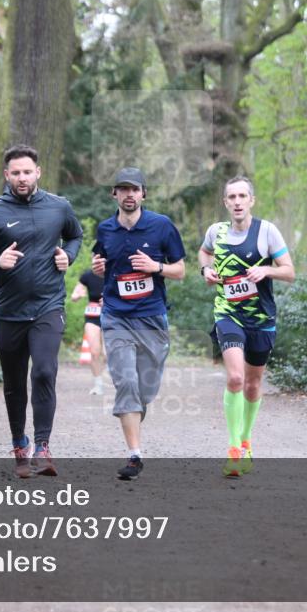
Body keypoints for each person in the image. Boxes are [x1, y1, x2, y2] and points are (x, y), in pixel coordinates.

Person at [0, 144, 83, 478]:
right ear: (6, 175)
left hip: (48, 306)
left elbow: (75, 236)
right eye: (15, 173)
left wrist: (68, 256)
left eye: (27, 172)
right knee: (14, 383)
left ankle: (43, 447)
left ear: (38, 173)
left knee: (44, 371)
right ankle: (20, 445)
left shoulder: (60, 207)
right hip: (9, 311)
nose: (21, 178)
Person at [92, 167, 185, 480]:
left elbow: (181, 270)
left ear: (143, 193)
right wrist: (98, 267)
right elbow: (103, 266)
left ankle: (133, 414)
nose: (129, 195)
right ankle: (135, 455)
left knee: (145, 389)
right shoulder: (105, 229)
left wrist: (155, 266)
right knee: (126, 381)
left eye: (134, 189)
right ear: (114, 194)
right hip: (116, 316)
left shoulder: (161, 226)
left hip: (152, 318)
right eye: (122, 189)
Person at [198, 175, 295, 477]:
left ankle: (246, 438)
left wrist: (266, 270)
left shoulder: (267, 232)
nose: (237, 202)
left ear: (251, 200)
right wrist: (206, 269)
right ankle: (233, 449)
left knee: (253, 385)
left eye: (242, 196)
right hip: (228, 314)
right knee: (236, 378)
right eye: (232, 197)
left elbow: (290, 272)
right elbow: (204, 252)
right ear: (225, 202)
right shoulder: (217, 232)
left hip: (261, 319)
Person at [70, 267, 106, 395]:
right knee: (94, 352)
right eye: (95, 256)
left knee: (107, 354)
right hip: (93, 317)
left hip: (113, 316)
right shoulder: (87, 276)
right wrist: (77, 295)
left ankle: (121, 382)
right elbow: (73, 296)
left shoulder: (115, 272)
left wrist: (110, 301)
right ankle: (98, 385)